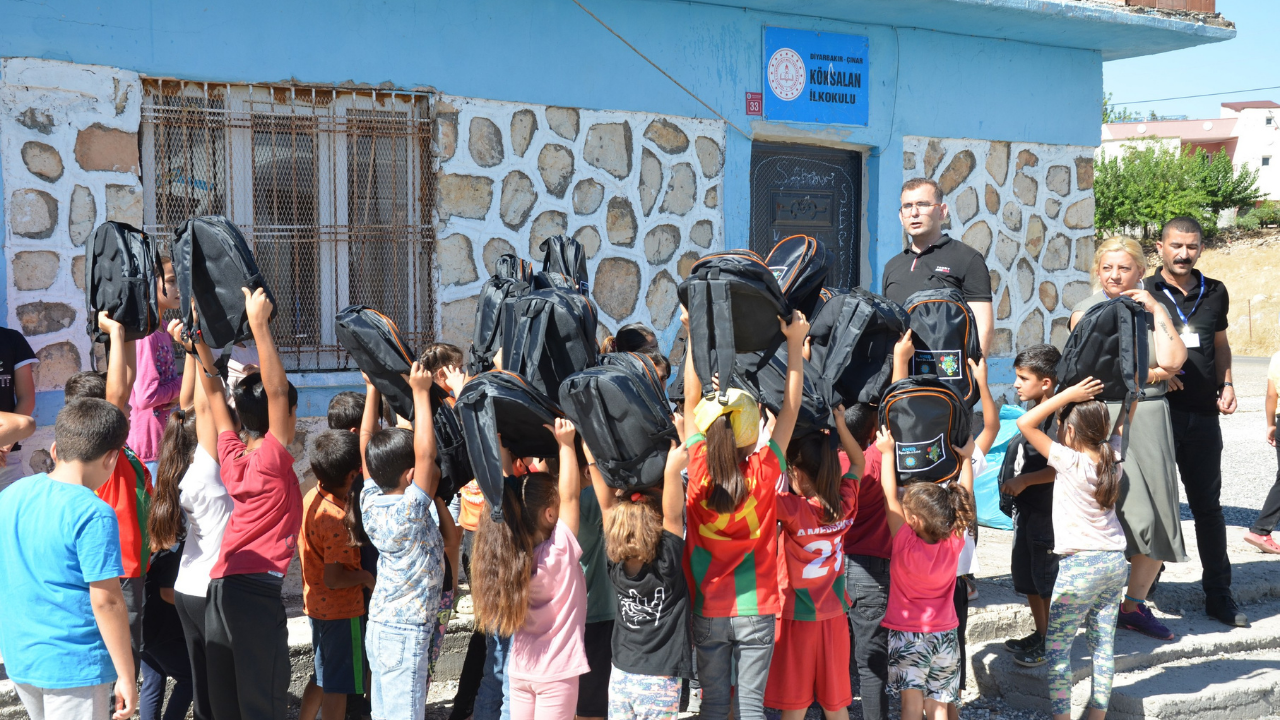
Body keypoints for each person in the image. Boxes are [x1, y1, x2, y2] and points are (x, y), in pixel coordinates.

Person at [681, 307, 808, 720]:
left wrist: (692, 333)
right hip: (757, 609)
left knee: (714, 707)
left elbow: (690, 398)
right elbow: (790, 408)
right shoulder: (765, 469)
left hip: (707, 608)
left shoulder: (697, 467)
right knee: (752, 708)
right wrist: (792, 343)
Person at [190, 287, 303, 719]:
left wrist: (198, 343)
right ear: (286, 418)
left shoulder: (234, 455)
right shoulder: (273, 459)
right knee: (262, 703)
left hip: (220, 589)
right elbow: (275, 393)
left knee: (227, 705)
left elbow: (218, 398)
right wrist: (258, 325)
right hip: (255, 593)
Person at [1069, 237, 1188, 641]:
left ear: (1140, 270)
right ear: (1097, 271)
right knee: (1103, 509)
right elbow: (1098, 373)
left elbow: (1175, 360)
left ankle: (1133, 606)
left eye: (1124, 268)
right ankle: (1092, 603)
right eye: (1107, 268)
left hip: (1150, 418)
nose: (1115, 275)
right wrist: (1151, 374)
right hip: (1103, 414)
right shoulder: (1085, 311)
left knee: (1157, 514)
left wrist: (1156, 310)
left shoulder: (1154, 309)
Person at [0, 398, 137, 720]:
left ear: (54, 449)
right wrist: (127, 675)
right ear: (112, 458)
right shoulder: (94, 512)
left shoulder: (11, 495)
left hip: (22, 655)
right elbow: (107, 601)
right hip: (73, 661)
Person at [1146, 216, 1246, 627]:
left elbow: (1220, 344)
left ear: (1201, 247)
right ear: (1160, 247)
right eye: (1176, 246)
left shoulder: (1216, 291)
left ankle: (1219, 594)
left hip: (1204, 415)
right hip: (1155, 413)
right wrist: (1157, 372)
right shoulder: (1145, 290)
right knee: (1152, 504)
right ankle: (1144, 583)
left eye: (1191, 246)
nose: (1183, 253)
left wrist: (1227, 382)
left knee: (1207, 507)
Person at [1016, 377, 1132, 720]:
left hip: (1079, 566)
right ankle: (1096, 717)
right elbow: (1124, 421)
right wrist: (1128, 397)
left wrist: (1066, 395)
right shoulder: (1113, 457)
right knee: (1103, 648)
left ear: (1070, 432)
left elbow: (1026, 422)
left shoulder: (1070, 461)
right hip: (1114, 563)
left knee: (1058, 651)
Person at [472, 419, 589, 720]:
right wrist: (566, 445)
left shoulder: (509, 557)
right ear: (551, 514)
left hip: (521, 669)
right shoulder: (559, 554)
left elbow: (510, 499)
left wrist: (499, 452)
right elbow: (572, 496)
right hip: (556, 673)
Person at [764, 409, 866, 720]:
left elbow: (764, 479)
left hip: (796, 615)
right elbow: (858, 461)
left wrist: (773, 427)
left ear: (798, 473)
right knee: (836, 705)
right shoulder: (844, 503)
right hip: (834, 615)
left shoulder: (792, 508)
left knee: (794, 706)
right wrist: (840, 427)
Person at [359, 364, 445, 720]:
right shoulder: (409, 510)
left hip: (380, 627)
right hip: (405, 634)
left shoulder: (370, 501)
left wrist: (372, 389)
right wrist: (421, 394)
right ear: (411, 476)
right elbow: (426, 456)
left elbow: (366, 442)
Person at [584, 439, 692, 720]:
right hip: (660, 678)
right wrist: (671, 472)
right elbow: (673, 515)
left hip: (621, 675)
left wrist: (591, 455)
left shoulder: (616, 565)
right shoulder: (667, 563)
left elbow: (607, 507)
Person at [875, 427, 975, 720]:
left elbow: (888, 496)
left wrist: (886, 453)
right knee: (939, 706)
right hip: (945, 633)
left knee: (911, 708)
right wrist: (966, 459)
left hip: (907, 635)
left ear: (915, 520)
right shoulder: (953, 541)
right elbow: (965, 498)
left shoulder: (904, 542)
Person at [76, 312, 154, 669]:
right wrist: (118, 333)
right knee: (117, 664)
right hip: (119, 569)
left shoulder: (121, 451)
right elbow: (118, 395)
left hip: (133, 568)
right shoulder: (102, 454)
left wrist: (135, 330)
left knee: (128, 659)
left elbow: (129, 380)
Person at [167, 324, 232, 720]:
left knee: (204, 688)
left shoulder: (183, 464)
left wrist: (191, 351)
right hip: (210, 590)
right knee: (224, 691)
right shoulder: (208, 471)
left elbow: (189, 404)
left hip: (186, 588)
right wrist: (202, 349)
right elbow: (207, 404)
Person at [299, 430, 375, 720]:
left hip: (317, 607)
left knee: (321, 675)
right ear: (352, 476)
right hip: (342, 611)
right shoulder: (336, 518)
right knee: (338, 687)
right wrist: (366, 577)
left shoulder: (312, 496)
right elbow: (334, 578)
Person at [999, 344, 1063, 668]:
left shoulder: (1058, 419)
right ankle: (1042, 633)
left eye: (1023, 378)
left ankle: (1053, 644)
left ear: (1047, 383)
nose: (1016, 384)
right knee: (1028, 579)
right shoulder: (1038, 410)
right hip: (1027, 511)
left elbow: (1061, 467)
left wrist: (1023, 481)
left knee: (1045, 580)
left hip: (1046, 515)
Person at [881, 178, 994, 354]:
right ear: (901, 216)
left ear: (942, 211)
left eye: (922, 204)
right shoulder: (892, 266)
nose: (914, 213)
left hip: (949, 376)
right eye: (907, 206)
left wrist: (975, 374)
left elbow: (982, 325)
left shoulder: (967, 258)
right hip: (901, 377)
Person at [141, 401, 200, 720]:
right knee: (191, 676)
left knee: (152, 679)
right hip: (162, 619)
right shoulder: (188, 501)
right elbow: (168, 589)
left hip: (146, 618)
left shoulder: (164, 483)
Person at [840, 402, 892, 720]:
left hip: (835, 567)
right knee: (871, 666)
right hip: (873, 573)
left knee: (835, 660)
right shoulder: (881, 460)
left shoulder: (833, 462)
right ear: (873, 432)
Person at [128, 252, 183, 480]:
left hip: (162, 440)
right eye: (171, 281)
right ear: (151, 285)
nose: (179, 287)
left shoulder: (162, 328)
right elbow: (147, 396)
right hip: (148, 447)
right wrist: (180, 387)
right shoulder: (147, 334)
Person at [1246, 349, 1280, 554]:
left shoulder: (1278, 357)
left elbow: (1271, 394)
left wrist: (1270, 424)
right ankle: (1260, 529)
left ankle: (1261, 529)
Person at [0, 322, 36, 491]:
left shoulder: (11, 339)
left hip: (6, 458)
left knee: (13, 514)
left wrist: (7, 441)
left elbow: (27, 397)